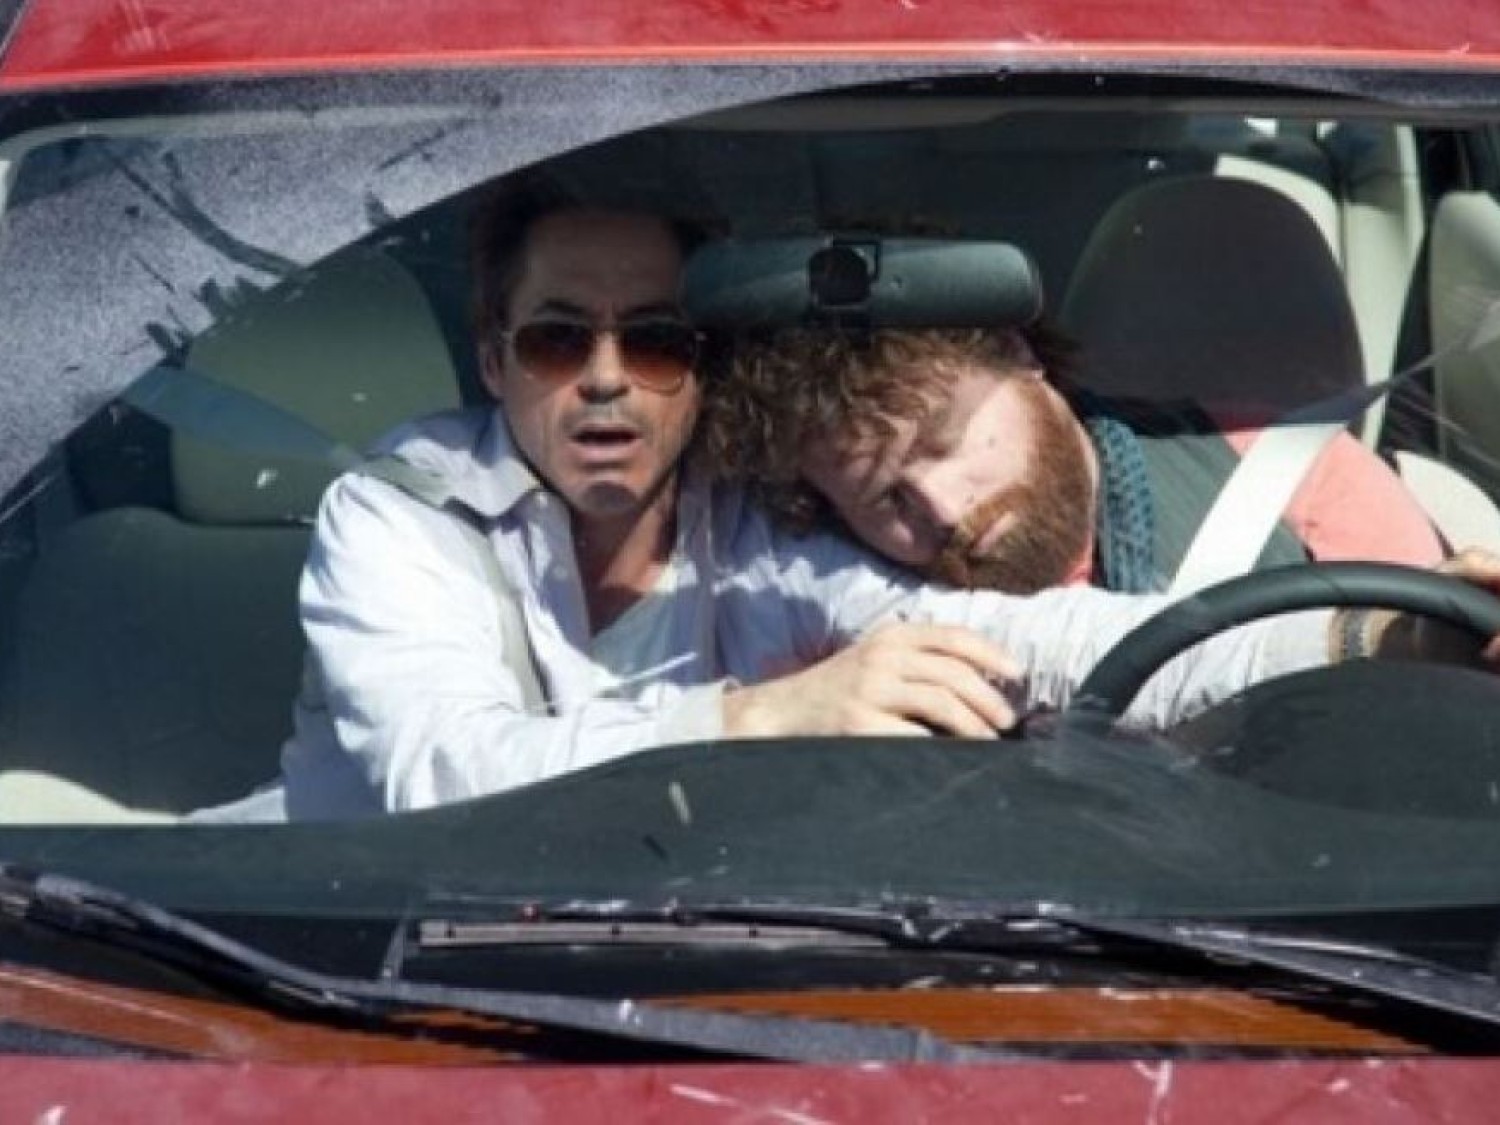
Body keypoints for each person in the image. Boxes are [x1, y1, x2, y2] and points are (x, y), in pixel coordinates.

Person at [258, 184, 1492, 821]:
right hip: (345, 975)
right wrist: (762, 718)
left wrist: (1385, 636)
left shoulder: (748, 528)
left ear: (701, 370)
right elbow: (439, 771)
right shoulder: (398, 516)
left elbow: (1037, 643)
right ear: (492, 359)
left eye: (659, 341)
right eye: (556, 338)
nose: (606, 378)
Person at [703, 323, 1443, 595]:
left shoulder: (1293, 478)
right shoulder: (839, 605)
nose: (944, 510)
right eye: (883, 500)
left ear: (1018, 354)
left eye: (944, 442)